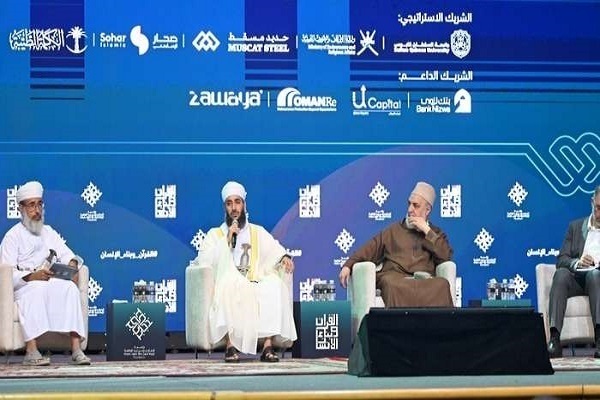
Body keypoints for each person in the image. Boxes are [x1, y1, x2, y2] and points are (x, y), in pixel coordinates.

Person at [195, 181, 297, 362]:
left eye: (237, 202)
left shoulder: (257, 232)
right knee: (229, 285)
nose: (234, 208)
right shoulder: (215, 234)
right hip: (229, 281)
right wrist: (227, 240)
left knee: (274, 285)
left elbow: (275, 249)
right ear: (225, 208)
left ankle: (267, 347)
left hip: (254, 280)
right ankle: (230, 346)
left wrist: (284, 258)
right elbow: (204, 260)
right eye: (229, 203)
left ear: (244, 205)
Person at [0, 181, 91, 366]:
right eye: (31, 205)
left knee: (69, 289)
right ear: (21, 209)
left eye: (39, 204)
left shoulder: (48, 232)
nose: (37, 210)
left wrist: (72, 264)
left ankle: (76, 350)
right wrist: (31, 276)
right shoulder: (12, 236)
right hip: (25, 285)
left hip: (49, 280)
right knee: (36, 290)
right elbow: (6, 272)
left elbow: (68, 254)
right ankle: (31, 351)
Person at [339, 181, 454, 307]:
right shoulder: (392, 231)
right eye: (409, 204)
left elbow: (445, 256)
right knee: (391, 284)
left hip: (423, 280)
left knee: (442, 284)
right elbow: (369, 249)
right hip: (396, 278)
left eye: (416, 206)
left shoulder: (435, 233)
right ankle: (399, 320)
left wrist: (427, 231)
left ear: (427, 210)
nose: (410, 210)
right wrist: (348, 265)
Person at [547, 185, 600, 358]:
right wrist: (578, 262)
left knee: (595, 275)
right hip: (576, 280)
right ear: (592, 202)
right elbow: (561, 259)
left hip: (597, 281)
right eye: (598, 208)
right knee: (561, 274)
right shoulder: (575, 227)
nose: (599, 214)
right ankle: (555, 339)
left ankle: (599, 340)